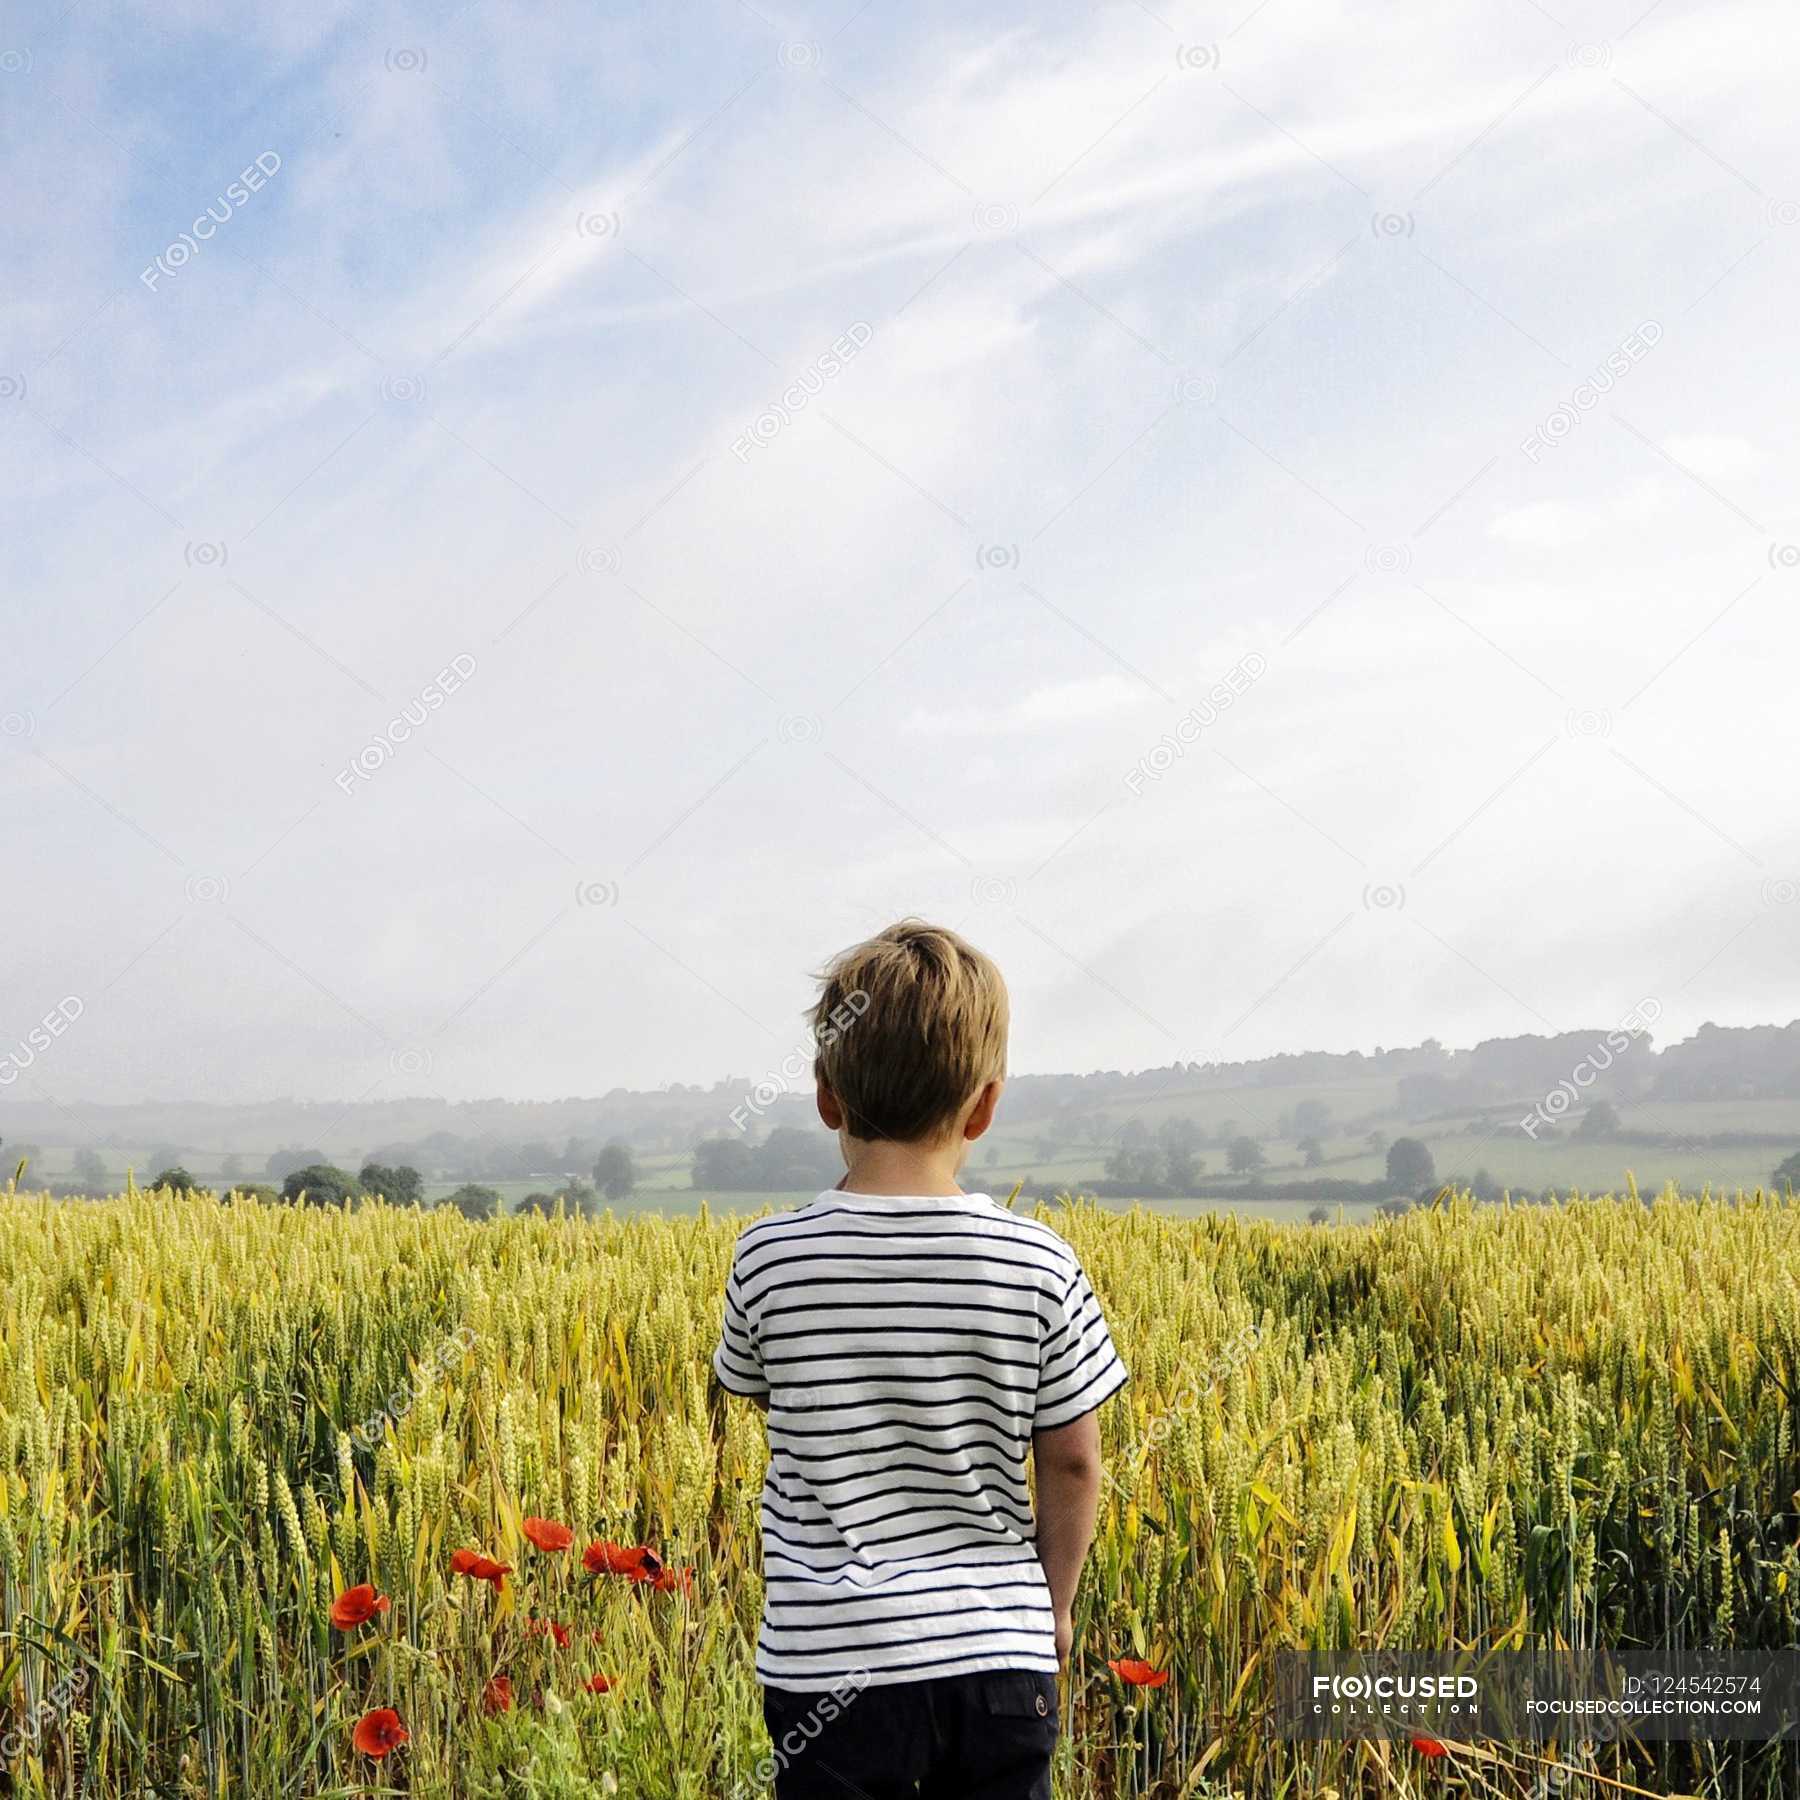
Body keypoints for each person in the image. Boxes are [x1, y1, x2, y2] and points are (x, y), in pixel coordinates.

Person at [712, 919, 1128, 1798]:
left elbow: (756, 1392)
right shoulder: (1039, 1263)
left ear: (826, 1097)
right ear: (985, 1105)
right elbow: (1075, 1459)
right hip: (999, 1664)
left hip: (831, 1670)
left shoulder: (769, 1257)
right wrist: (1052, 1608)